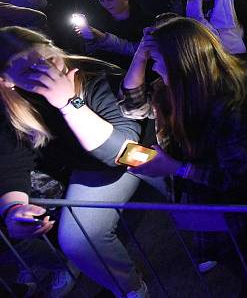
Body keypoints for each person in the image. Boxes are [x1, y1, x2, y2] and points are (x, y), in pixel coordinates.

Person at [118, 17, 247, 294]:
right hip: (195, 193)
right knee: (223, 249)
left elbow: (234, 178)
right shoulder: (172, 90)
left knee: (235, 249)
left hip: (225, 200)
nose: (153, 67)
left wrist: (174, 167)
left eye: (158, 60)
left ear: (183, 62)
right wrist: (140, 54)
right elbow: (132, 107)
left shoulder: (232, 108)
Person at [0, 27, 149, 297]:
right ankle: (132, 288)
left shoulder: (97, 75)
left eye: (48, 60)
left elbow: (123, 152)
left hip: (147, 152)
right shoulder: (15, 108)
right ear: (6, 82)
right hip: (94, 168)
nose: (47, 74)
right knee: (78, 240)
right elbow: (12, 162)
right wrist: (13, 210)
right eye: (28, 73)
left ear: (54, 47)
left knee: (192, 195)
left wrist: (69, 104)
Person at [73, 0, 152, 71]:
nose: (106, 4)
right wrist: (89, 38)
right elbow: (93, 52)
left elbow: (144, 50)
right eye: (101, 0)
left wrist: (103, 37)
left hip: (142, 70)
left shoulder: (144, 17)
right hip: (113, 71)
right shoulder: (99, 18)